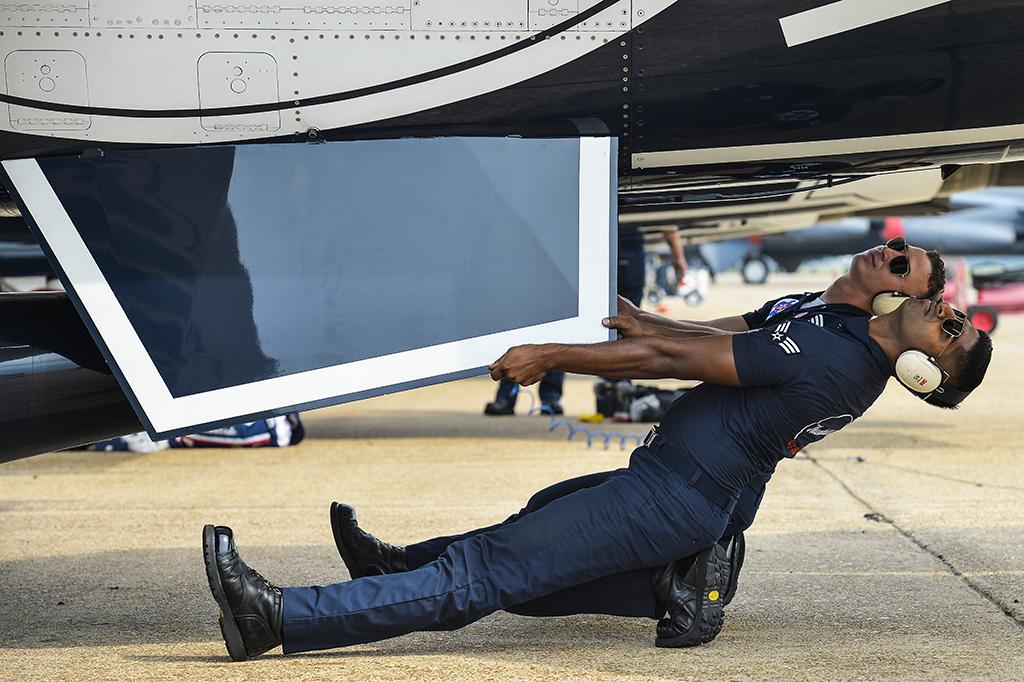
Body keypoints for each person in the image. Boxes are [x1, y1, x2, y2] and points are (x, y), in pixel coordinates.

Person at [201, 269, 992, 660]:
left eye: (951, 332)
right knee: (526, 544)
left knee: (487, 575)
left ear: (925, 374)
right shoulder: (847, 349)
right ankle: (391, 571)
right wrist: (650, 324)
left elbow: (671, 361)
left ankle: (280, 618)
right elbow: (714, 346)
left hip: (668, 498)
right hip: (674, 492)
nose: (946, 312)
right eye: (955, 312)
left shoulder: (834, 360)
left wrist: (553, 355)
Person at [483, 227, 686, 416]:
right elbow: (668, 225)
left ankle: (594, 397)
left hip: (604, 245)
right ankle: (527, 395)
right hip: (591, 246)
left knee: (607, 327)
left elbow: (667, 225)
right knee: (560, 321)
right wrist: (678, 257)